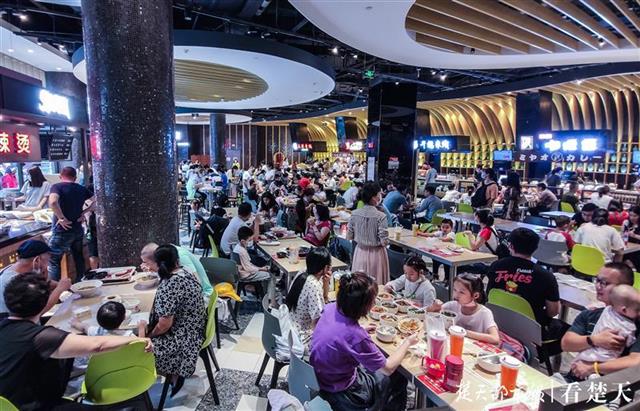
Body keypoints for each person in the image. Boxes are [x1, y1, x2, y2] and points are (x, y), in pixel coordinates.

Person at [0, 272, 152, 410]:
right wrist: (135, 340)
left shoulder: (4, 326)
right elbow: (97, 346)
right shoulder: (41, 337)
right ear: (44, 304)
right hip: (30, 405)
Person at [310, 272, 417, 411]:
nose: (374, 303)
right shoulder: (355, 335)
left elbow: (338, 334)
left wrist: (361, 330)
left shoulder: (331, 308)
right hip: (344, 393)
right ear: (362, 306)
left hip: (320, 378)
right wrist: (407, 342)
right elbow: (388, 368)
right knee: (398, 374)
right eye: (373, 301)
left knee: (373, 366)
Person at [486, 228, 566, 347]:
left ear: (510, 246)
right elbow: (553, 312)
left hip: (497, 323)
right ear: (535, 248)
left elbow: (489, 295)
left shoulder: (496, 266)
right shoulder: (546, 276)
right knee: (569, 330)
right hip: (531, 331)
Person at [561, 263, 640, 381]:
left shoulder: (635, 324)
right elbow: (566, 344)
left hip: (611, 386)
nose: (598, 286)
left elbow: (635, 362)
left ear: (624, 288)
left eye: (605, 283)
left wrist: (593, 368)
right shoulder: (591, 313)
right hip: (574, 378)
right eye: (597, 280)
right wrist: (595, 340)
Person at [147, 245, 205, 396]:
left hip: (185, 339)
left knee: (139, 347)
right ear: (177, 260)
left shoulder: (171, 284)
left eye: (149, 263)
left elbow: (164, 325)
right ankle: (173, 376)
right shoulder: (185, 271)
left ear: (158, 264)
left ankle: (173, 375)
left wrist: (148, 336)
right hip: (195, 328)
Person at [0, 240, 69, 319]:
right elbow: (38, 312)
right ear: (37, 260)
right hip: (18, 324)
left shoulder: (14, 269)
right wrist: (59, 289)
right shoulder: (15, 282)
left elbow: (44, 282)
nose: (48, 264)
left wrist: (58, 284)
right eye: (47, 260)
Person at [47, 167, 94, 281]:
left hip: (62, 230)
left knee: (54, 260)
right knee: (79, 258)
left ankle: (56, 288)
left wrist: (61, 218)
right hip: (77, 229)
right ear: (75, 177)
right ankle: (81, 283)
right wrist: (84, 212)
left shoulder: (57, 187)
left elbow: (53, 202)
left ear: (60, 176)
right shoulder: (81, 188)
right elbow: (96, 200)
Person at [348, 182, 390, 285]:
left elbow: (349, 236)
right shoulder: (381, 216)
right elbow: (384, 242)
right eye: (379, 194)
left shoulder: (354, 214)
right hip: (377, 255)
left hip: (360, 252)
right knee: (375, 286)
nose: (380, 196)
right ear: (374, 197)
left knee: (359, 285)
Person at [441, 274, 500, 344]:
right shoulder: (452, 305)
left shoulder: (485, 313)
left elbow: (495, 339)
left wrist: (463, 332)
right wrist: (435, 306)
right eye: (455, 290)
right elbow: (434, 312)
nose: (456, 295)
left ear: (475, 295)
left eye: (462, 292)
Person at [285, 247, 331, 337]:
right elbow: (317, 320)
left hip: (290, 328)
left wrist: (326, 282)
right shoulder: (314, 285)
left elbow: (325, 297)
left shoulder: (302, 273)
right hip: (301, 336)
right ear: (325, 267)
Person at [233, 226, 275, 304]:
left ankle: (264, 293)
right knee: (271, 276)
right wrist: (261, 269)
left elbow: (248, 265)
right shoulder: (242, 251)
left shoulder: (237, 247)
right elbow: (249, 268)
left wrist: (260, 268)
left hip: (241, 272)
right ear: (243, 241)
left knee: (264, 271)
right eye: (249, 240)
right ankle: (270, 301)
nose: (251, 242)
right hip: (245, 275)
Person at [71, 301, 141, 337]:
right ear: (124, 317)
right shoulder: (128, 335)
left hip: (100, 361)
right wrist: (141, 329)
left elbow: (84, 327)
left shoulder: (96, 331)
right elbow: (141, 345)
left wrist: (75, 323)